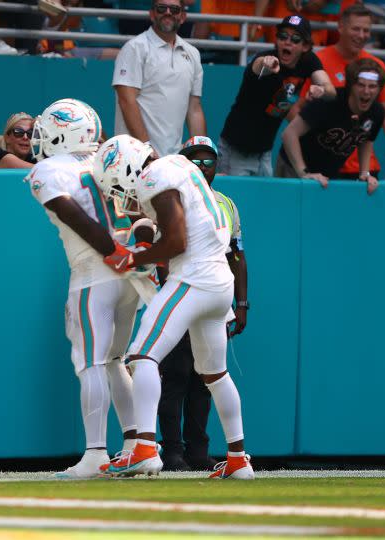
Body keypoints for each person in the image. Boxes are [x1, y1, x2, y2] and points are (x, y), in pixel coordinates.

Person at [98, 146, 254, 481]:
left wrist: (132, 259)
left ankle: (143, 450)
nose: (122, 192)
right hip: (219, 283)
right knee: (214, 374)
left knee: (142, 356)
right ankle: (239, 460)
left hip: (193, 278)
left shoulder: (157, 174)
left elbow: (178, 242)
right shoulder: (180, 166)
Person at [26, 99, 141, 479]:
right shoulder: (107, 157)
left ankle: (95, 453)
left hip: (96, 270)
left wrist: (112, 254)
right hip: (130, 275)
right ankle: (136, 447)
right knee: (115, 361)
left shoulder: (50, 169)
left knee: (90, 361)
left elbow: (69, 211)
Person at [156, 136, 249, 471]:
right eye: (193, 161)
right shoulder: (169, 199)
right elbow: (162, 252)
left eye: (208, 161)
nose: (201, 167)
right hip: (181, 294)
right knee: (175, 375)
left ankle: (198, 449)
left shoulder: (226, 203)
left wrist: (242, 304)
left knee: (206, 379)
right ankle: (172, 451)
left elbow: (237, 255)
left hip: (213, 297)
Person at [290, 4, 385, 179]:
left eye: (366, 30)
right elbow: (298, 110)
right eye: (356, 29)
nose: (361, 35)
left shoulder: (376, 66)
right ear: (340, 27)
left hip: (362, 170)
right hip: (321, 166)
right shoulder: (318, 61)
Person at [218, 15, 335, 177]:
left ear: (305, 46)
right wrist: (266, 64)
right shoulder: (265, 59)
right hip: (237, 150)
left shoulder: (308, 62)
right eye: (282, 36)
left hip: (264, 152)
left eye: (295, 39)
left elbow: (331, 91)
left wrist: (322, 90)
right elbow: (258, 65)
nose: (287, 42)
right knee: (235, 201)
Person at [279, 58, 385, 194]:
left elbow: (366, 140)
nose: (366, 91)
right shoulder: (329, 102)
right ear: (351, 86)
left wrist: (365, 173)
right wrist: (304, 173)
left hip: (327, 175)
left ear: (379, 89)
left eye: (372, 86)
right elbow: (289, 134)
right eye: (360, 85)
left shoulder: (377, 112)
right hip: (293, 167)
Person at [112, 0, 206, 157]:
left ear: (182, 17)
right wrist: (146, 149)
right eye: (162, 8)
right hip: (133, 159)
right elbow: (126, 101)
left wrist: (202, 154)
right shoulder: (134, 48)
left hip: (172, 160)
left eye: (174, 9)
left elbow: (194, 109)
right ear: (152, 14)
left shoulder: (193, 53)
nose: (168, 12)